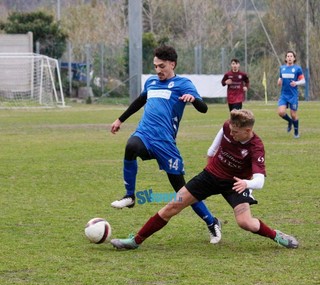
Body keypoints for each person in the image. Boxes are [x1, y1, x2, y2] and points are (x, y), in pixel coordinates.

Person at [111, 109, 299, 250]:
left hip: (235, 183)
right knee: (172, 206)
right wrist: (210, 159)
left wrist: (246, 184)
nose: (231, 134)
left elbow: (260, 180)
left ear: (248, 130)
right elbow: (214, 146)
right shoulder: (228, 126)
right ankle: (135, 241)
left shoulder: (256, 147)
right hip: (209, 176)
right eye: (231, 130)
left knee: (245, 223)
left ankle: (277, 236)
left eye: (236, 132)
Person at [110, 45, 221, 244]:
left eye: (162, 66)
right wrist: (120, 120)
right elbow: (139, 101)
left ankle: (212, 221)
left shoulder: (183, 84)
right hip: (145, 135)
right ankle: (130, 196)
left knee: (183, 193)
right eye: (155, 66)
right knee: (131, 146)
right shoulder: (152, 82)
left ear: (172, 64)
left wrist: (193, 99)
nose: (158, 70)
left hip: (166, 144)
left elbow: (203, 108)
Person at [277, 50, 305, 139]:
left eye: (291, 56)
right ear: (285, 58)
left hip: (293, 95)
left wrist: (296, 83)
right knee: (281, 112)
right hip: (284, 95)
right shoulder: (282, 68)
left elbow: (303, 81)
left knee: (293, 115)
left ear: (294, 58)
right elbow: (280, 78)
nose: (289, 58)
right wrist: (279, 81)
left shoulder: (297, 69)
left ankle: (296, 132)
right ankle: (290, 122)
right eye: (288, 56)